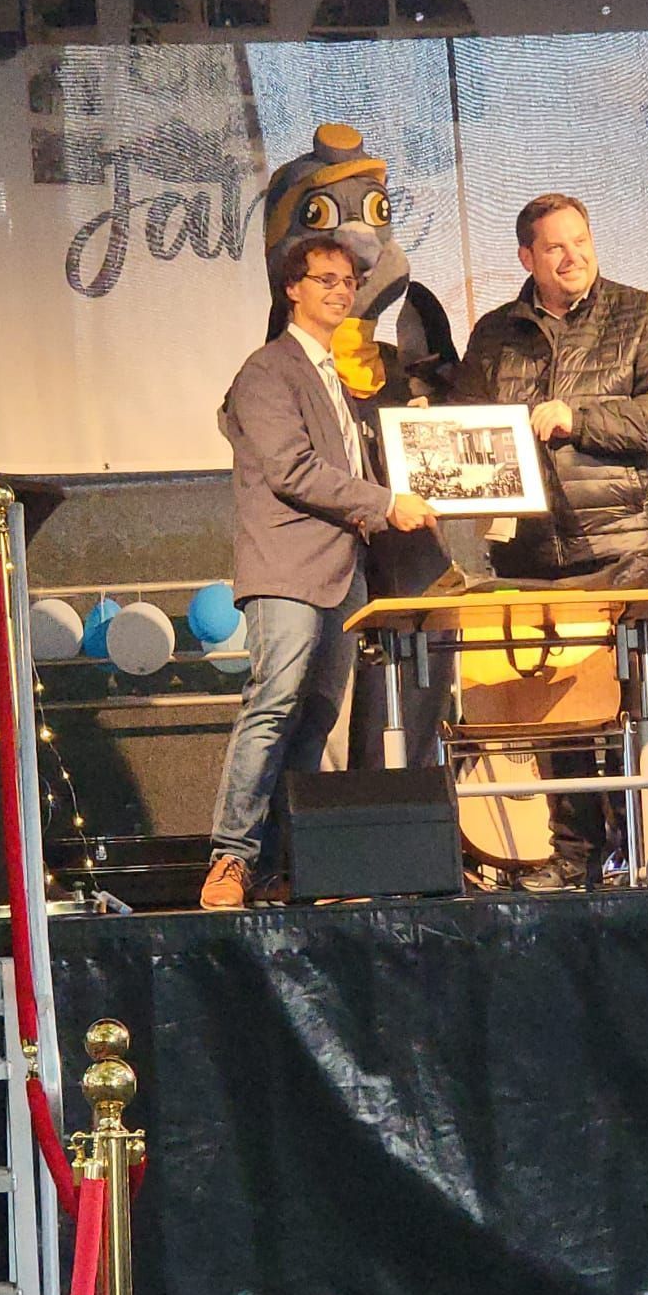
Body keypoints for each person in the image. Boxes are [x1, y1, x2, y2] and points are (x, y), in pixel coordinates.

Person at [455, 193, 648, 888]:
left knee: (625, 701)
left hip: (623, 544)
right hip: (531, 551)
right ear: (527, 258)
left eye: (581, 241)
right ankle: (574, 856)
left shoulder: (638, 313)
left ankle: (645, 849)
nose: (573, 257)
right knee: (554, 710)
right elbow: (468, 426)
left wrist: (578, 418)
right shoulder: (495, 334)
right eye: (555, 247)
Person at [203, 236, 437, 911]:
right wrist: (387, 503)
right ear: (292, 289)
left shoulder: (334, 375)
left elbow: (350, 470)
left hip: (342, 571)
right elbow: (293, 470)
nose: (341, 290)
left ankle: (282, 865)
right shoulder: (267, 370)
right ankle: (230, 857)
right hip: (285, 568)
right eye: (326, 279)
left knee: (315, 720)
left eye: (349, 280)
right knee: (273, 705)